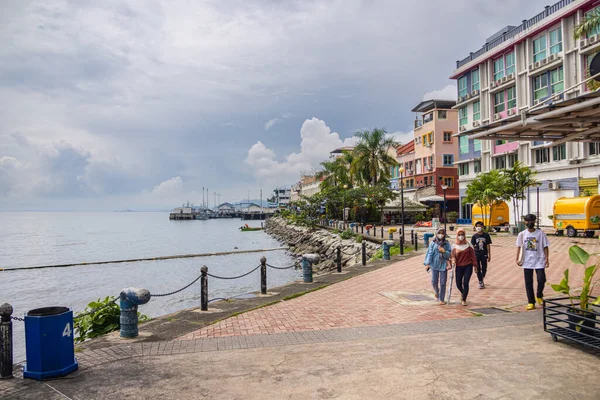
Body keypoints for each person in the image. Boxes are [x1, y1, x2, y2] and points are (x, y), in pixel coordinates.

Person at [516, 214, 550, 310]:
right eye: (527, 221)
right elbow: (519, 247)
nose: (529, 223)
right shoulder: (522, 234)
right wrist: (517, 259)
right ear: (525, 222)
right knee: (528, 282)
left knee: (541, 279)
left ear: (534, 222)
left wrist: (547, 258)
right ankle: (531, 302)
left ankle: (539, 294)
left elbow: (545, 246)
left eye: (531, 221)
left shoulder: (541, 234)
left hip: (539, 259)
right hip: (527, 261)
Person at [424, 228, 452, 305]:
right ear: (436, 233)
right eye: (439, 233)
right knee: (434, 282)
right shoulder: (433, 243)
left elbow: (449, 255)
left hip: (443, 265)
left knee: (443, 282)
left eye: (442, 233)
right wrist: (427, 263)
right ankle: (437, 292)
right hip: (434, 264)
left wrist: (444, 251)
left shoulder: (446, 243)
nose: (440, 234)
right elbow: (430, 253)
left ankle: (441, 298)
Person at [451, 228, 477, 306]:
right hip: (459, 266)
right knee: (458, 284)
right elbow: (452, 256)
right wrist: (453, 260)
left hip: (468, 266)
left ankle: (464, 299)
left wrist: (475, 265)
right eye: (459, 235)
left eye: (462, 235)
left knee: (465, 282)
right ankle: (463, 293)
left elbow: (473, 256)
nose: (461, 236)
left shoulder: (468, 245)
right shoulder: (454, 246)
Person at [471, 221, 492, 289]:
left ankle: (482, 277)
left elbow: (488, 245)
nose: (478, 228)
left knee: (484, 268)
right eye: (477, 226)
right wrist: (473, 257)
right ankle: (480, 281)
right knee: (478, 268)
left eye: (480, 226)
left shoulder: (486, 235)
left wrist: (489, 255)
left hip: (484, 254)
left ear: (483, 227)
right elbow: (473, 246)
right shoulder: (474, 236)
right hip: (476, 254)